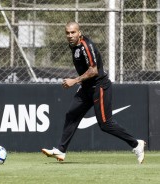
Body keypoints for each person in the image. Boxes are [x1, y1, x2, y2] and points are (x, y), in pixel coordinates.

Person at [41, 22, 145, 164]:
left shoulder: (86, 46)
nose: (70, 35)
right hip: (86, 87)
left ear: (79, 33)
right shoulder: (73, 45)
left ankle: (136, 144)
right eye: (67, 33)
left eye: (73, 32)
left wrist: (75, 81)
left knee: (105, 124)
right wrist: (81, 83)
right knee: (72, 115)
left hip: (99, 86)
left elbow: (94, 70)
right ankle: (61, 149)